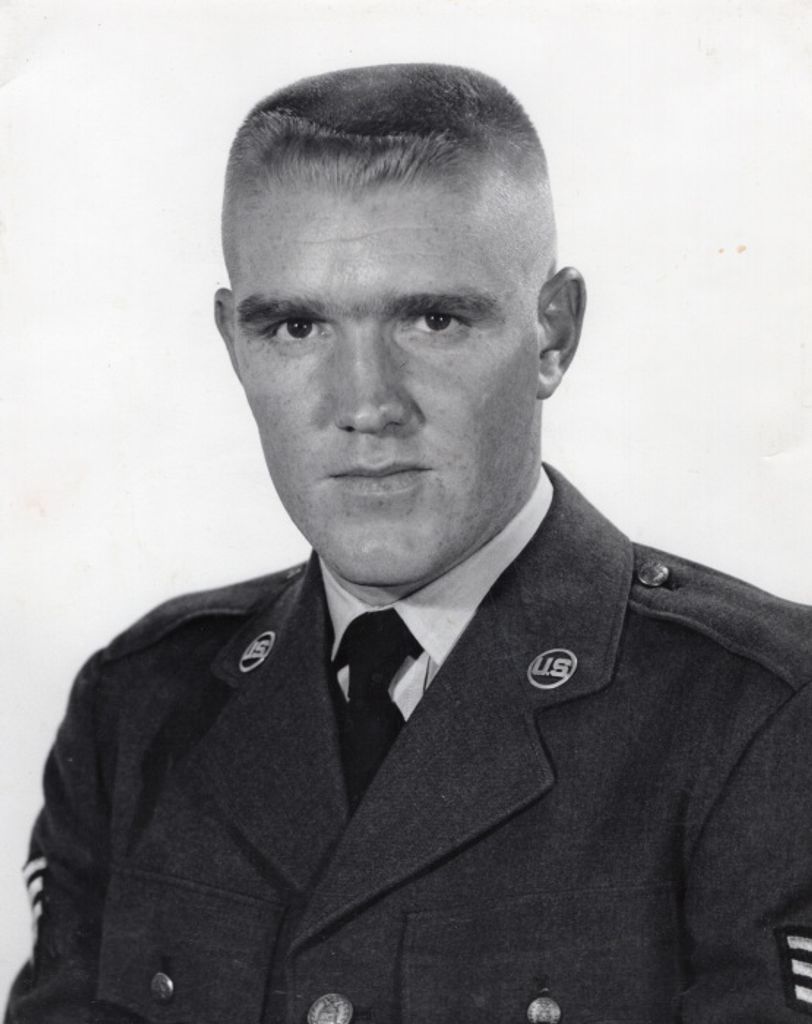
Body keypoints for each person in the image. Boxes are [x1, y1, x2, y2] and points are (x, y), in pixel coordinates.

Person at [5, 62, 812, 1024]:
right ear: (233, 345)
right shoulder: (138, 709)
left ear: (553, 334)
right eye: (295, 327)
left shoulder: (765, 719)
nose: (366, 405)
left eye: (433, 319)